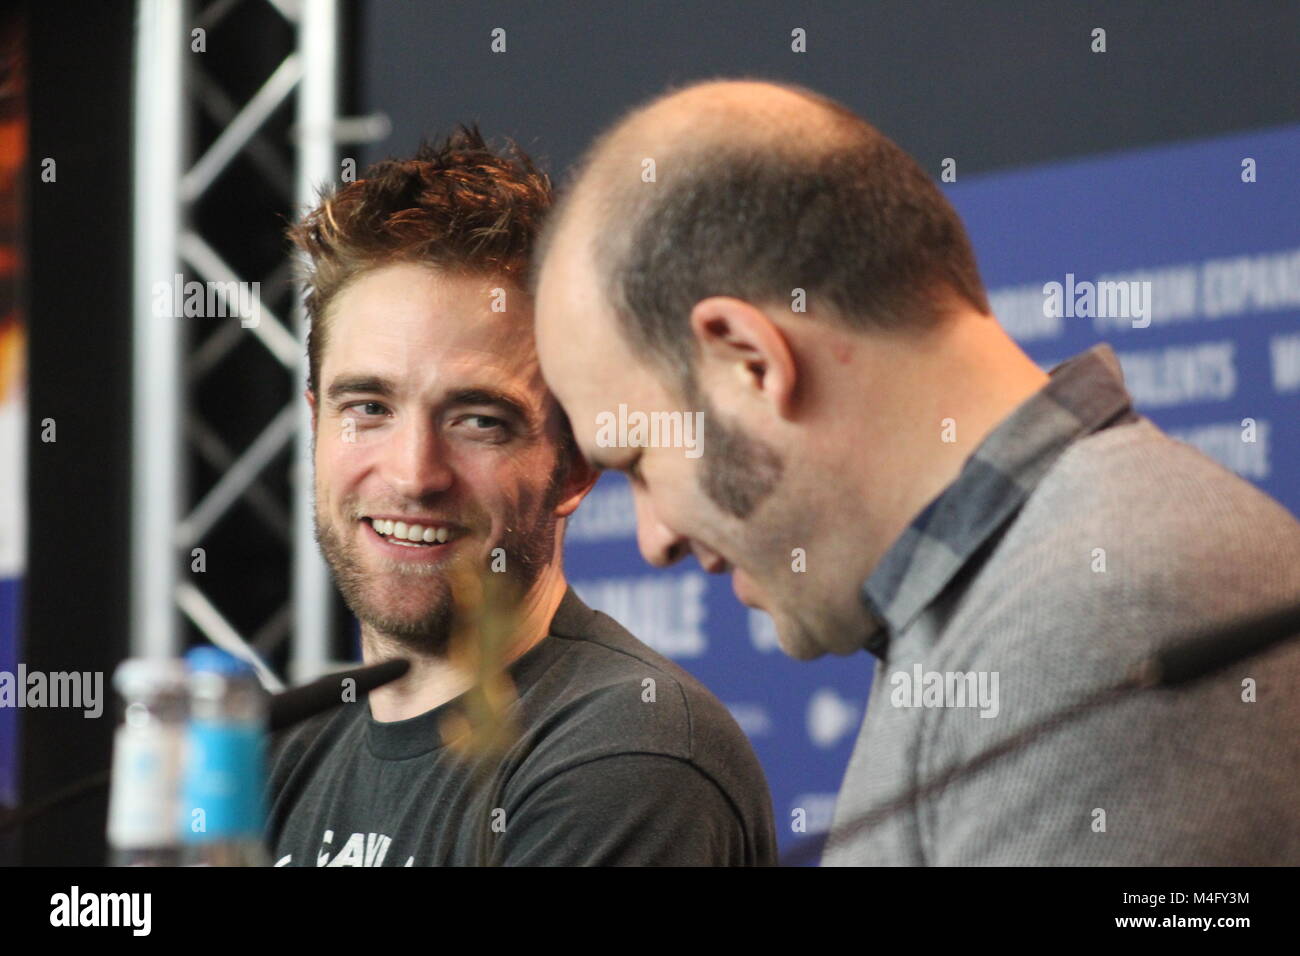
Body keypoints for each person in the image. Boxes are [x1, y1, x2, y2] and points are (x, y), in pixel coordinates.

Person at [531, 79, 1300, 865]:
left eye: (637, 460)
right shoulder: (1005, 592)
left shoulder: (1102, 605)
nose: (653, 538)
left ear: (749, 362)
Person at [266, 126, 777, 866]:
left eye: (479, 420)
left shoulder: (629, 757)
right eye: (369, 408)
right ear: (317, 425)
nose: (413, 474)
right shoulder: (286, 749)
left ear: (574, 463)